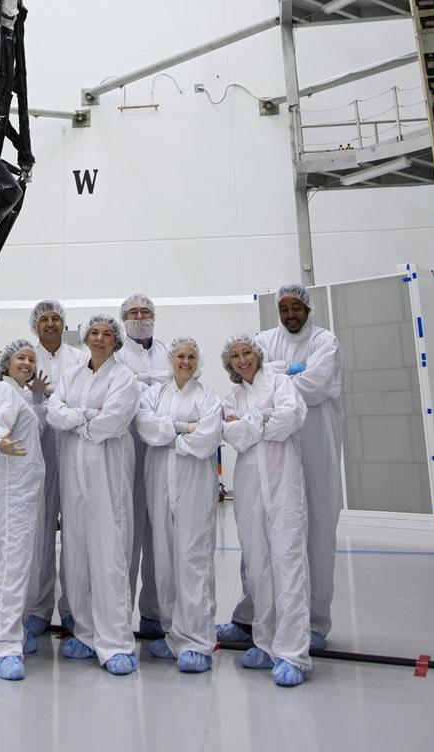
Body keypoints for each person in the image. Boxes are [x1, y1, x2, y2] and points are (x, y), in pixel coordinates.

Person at [218, 283, 343, 651]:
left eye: (296, 308)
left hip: (313, 448)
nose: (290, 314)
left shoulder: (325, 342)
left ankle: (313, 623)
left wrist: (276, 376)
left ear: (308, 309)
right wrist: (286, 373)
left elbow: (315, 386)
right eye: (284, 307)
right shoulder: (264, 340)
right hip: (266, 455)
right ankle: (251, 616)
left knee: (316, 532)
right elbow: (254, 379)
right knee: (256, 535)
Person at [47, 312, 140, 676]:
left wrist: (78, 419)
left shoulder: (124, 378)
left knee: (109, 553)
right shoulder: (71, 375)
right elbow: (56, 413)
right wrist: (87, 416)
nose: (99, 338)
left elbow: (113, 422)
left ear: (115, 340)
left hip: (107, 474)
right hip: (74, 476)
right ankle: (86, 633)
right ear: (85, 337)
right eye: (94, 333)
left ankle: (115, 640)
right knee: (78, 551)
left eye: (106, 334)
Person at [221, 334, 310, 687]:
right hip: (249, 488)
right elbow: (234, 436)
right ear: (229, 364)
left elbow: (292, 417)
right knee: (257, 565)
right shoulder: (232, 396)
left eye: (247, 353)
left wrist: (252, 422)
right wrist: (261, 421)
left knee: (288, 564)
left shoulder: (281, 382)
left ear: (257, 355)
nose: (242, 360)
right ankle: (265, 641)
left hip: (283, 482)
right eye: (235, 356)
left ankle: (292, 653)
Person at [136, 336, 222, 672]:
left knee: (193, 558)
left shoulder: (208, 397)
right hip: (160, 483)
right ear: (170, 360)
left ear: (197, 361)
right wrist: (184, 429)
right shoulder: (155, 393)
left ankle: (198, 640)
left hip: (194, 486)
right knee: (166, 558)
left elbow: (208, 438)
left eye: (190, 356)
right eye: (180, 356)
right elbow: (146, 428)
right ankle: (174, 634)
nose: (185, 361)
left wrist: (172, 436)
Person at [0, 337, 49, 680]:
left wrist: (37, 397)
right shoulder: (3, 392)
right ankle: (4, 647)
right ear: (6, 363)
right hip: (11, 494)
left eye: (30, 358)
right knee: (11, 568)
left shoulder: (20, 394)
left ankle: (14, 634)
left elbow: (35, 426)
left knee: (18, 565)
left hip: (24, 495)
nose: (26, 362)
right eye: (20, 358)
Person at [25, 298, 84, 634]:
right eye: (44, 319)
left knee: (76, 530)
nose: (50, 324)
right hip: (39, 451)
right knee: (39, 530)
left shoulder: (80, 358)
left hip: (74, 449)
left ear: (64, 324)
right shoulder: (27, 358)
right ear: (36, 325)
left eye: (56, 319)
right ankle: (37, 608)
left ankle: (74, 608)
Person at [118, 292, 170, 637]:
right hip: (129, 455)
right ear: (124, 319)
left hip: (165, 454)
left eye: (145, 311)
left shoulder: (169, 351)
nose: (140, 316)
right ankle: (121, 617)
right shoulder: (118, 355)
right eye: (134, 312)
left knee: (161, 537)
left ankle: (155, 614)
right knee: (128, 535)